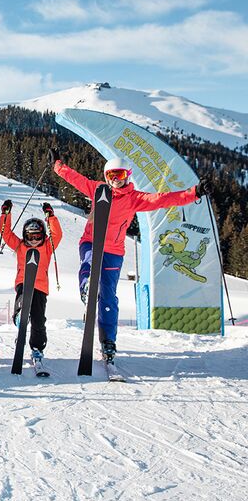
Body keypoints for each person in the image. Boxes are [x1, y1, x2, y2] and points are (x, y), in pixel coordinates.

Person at [53, 154, 209, 361]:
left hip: (114, 251)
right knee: (89, 262)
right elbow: (76, 178)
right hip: (91, 240)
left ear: (127, 175)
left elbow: (162, 200)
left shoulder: (135, 198)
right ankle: (87, 287)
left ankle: (108, 340)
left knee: (108, 296)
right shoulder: (98, 189)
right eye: (111, 174)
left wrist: (193, 193)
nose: (115, 179)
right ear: (106, 176)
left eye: (119, 174)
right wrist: (58, 166)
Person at [0, 200, 62, 364]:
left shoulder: (48, 246)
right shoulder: (20, 246)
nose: (33, 240)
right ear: (24, 236)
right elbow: (5, 234)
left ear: (43, 236)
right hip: (23, 284)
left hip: (40, 287)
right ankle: (20, 317)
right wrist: (6, 214)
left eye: (37, 236)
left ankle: (37, 348)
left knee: (39, 320)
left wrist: (51, 217)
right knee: (22, 302)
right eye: (30, 236)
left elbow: (57, 235)